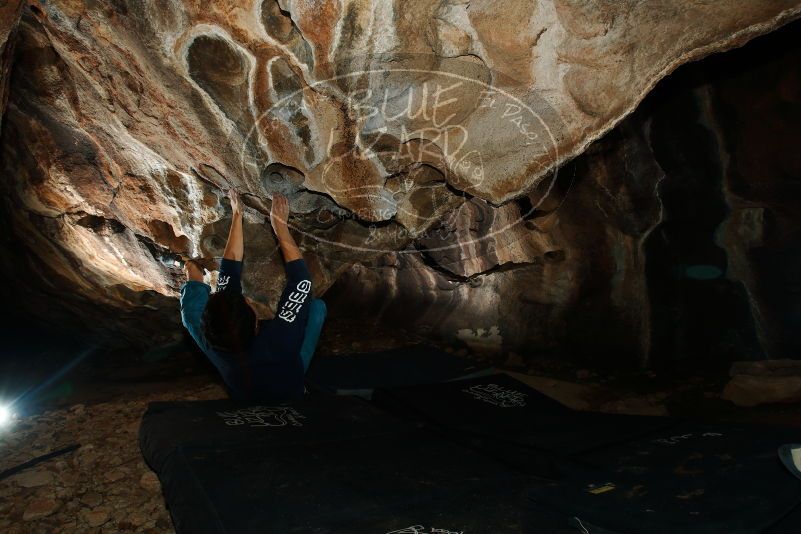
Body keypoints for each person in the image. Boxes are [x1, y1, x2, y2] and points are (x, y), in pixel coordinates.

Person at [179, 190, 326, 402]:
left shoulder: (210, 337)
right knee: (317, 308)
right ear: (256, 323)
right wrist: (280, 228)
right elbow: (301, 282)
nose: (246, 299)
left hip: (245, 389)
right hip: (289, 381)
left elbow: (226, 274)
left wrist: (237, 215)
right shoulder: (280, 338)